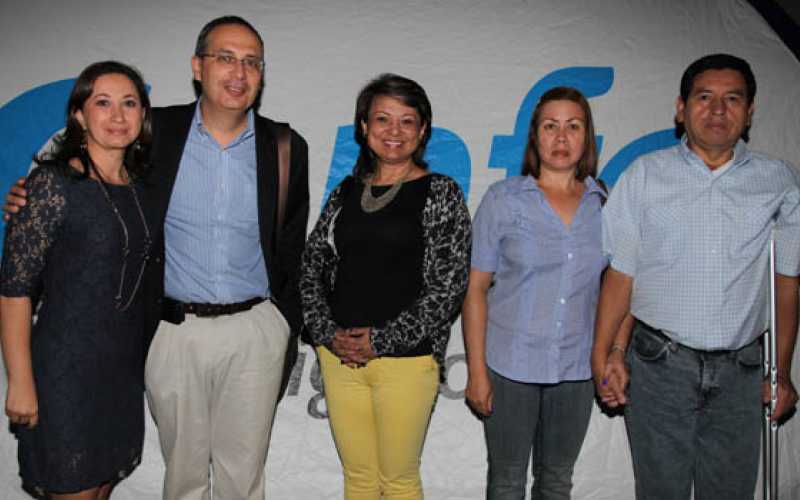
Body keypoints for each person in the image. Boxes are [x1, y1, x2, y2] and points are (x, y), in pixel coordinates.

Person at [3, 16, 309, 500]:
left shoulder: (286, 146)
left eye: (252, 62)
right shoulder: (155, 132)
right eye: (225, 58)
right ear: (197, 67)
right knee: (182, 478)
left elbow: (292, 247)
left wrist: (281, 322)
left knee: (244, 477)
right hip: (172, 331)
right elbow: (86, 177)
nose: (239, 72)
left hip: (255, 332)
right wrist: (29, 195)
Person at [592, 53, 800, 499]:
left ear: (750, 112)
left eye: (733, 99)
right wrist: (606, 353)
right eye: (704, 97)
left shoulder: (779, 182)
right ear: (680, 109)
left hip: (742, 371)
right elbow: (622, 276)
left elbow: (786, 282)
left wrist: (781, 372)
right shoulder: (645, 175)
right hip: (659, 365)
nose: (718, 109)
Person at [300, 73, 470, 500]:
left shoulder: (442, 193)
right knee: (359, 480)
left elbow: (449, 286)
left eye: (407, 120)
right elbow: (312, 265)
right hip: (340, 357)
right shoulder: (345, 192)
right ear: (364, 127)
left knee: (398, 482)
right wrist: (327, 334)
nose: (394, 131)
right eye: (382, 119)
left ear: (423, 130)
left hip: (408, 361)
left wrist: (381, 341)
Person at [0, 61, 154, 500]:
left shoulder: (142, 187)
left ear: (143, 115)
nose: (118, 115)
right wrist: (20, 382)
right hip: (65, 372)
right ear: (79, 116)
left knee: (101, 488)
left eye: (129, 103)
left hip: (121, 372)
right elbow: (13, 291)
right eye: (102, 103)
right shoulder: (51, 185)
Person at [461, 86, 606, 500]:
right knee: (507, 482)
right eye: (550, 126)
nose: (561, 137)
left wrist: (611, 354)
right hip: (511, 365)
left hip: (576, 369)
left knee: (557, 481)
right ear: (534, 136)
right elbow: (475, 289)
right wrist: (477, 371)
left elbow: (619, 287)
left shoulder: (604, 204)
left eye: (573, 126)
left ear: (587, 136)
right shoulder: (503, 200)